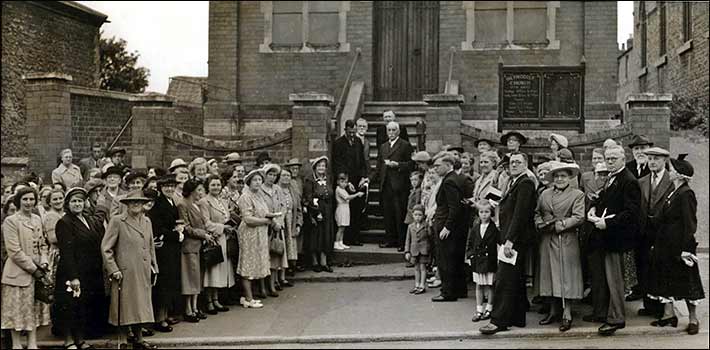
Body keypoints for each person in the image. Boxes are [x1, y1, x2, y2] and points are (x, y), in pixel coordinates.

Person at [586, 145, 641, 336]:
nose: (609, 162)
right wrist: (593, 207)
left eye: (613, 159)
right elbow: (604, 199)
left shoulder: (628, 180)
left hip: (616, 239)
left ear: (622, 160)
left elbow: (631, 213)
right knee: (609, 280)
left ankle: (617, 318)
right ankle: (611, 315)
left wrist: (607, 224)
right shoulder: (612, 177)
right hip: (607, 237)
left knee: (615, 281)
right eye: (607, 158)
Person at [480, 152, 537, 335]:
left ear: (526, 164)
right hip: (510, 237)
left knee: (504, 279)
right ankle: (517, 317)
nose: (513, 165)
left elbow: (520, 215)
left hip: (514, 240)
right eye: (512, 162)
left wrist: (510, 241)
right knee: (516, 278)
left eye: (518, 162)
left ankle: (499, 320)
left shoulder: (525, 183)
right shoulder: (514, 182)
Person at [647, 154, 704, 335]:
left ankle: (693, 319)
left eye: (671, 170)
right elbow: (662, 216)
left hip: (680, 246)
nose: (669, 172)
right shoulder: (673, 191)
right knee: (666, 278)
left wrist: (686, 248)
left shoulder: (686, 194)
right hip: (666, 244)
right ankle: (668, 315)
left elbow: (690, 223)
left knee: (687, 282)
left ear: (679, 175)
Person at [102, 190, 158, 350]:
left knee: (141, 305)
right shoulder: (118, 221)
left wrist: (154, 266)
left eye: (139, 202)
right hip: (125, 271)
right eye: (132, 202)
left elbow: (150, 246)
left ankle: (139, 339)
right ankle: (123, 339)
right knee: (124, 306)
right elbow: (106, 248)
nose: (136, 204)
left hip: (143, 269)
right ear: (126, 204)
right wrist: (113, 269)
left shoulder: (147, 221)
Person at [534, 161, 585, 332]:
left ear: (570, 178)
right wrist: (541, 224)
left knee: (566, 276)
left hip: (566, 239)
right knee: (549, 276)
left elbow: (579, 217)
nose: (560, 179)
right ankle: (553, 310)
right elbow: (537, 212)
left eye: (563, 176)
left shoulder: (577, 195)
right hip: (547, 240)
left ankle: (567, 313)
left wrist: (559, 225)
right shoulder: (545, 194)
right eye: (556, 176)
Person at [1, 188, 50, 350]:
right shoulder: (11, 221)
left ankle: (32, 343)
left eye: (31, 199)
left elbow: (43, 244)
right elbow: (14, 251)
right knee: (16, 311)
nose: (28, 203)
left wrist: (43, 262)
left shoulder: (37, 219)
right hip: (17, 273)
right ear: (18, 201)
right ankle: (16, 345)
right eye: (25, 199)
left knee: (33, 310)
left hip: (36, 272)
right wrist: (34, 269)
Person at [633, 147, 674, 318]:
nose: (652, 162)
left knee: (661, 268)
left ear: (664, 160)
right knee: (644, 267)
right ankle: (648, 304)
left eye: (656, 159)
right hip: (644, 232)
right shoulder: (642, 181)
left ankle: (662, 308)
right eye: (650, 159)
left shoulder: (671, 180)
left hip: (662, 232)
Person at [146, 175, 182, 332]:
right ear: (161, 188)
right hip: (163, 250)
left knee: (170, 282)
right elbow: (159, 229)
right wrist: (176, 235)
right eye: (166, 186)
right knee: (163, 284)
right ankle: (160, 319)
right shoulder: (159, 205)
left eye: (172, 186)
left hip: (171, 249)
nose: (170, 189)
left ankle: (165, 314)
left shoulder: (172, 201)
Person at [177, 178, 215, 322]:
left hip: (198, 245)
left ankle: (195, 307)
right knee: (190, 278)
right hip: (189, 246)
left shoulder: (196, 204)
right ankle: (188, 309)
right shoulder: (182, 204)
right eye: (198, 190)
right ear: (192, 191)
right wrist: (203, 234)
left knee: (197, 278)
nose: (201, 193)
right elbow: (186, 227)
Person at [431, 153, 468, 302]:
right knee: (455, 258)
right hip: (456, 226)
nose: (435, 169)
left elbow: (454, 207)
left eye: (438, 166)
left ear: (448, 165)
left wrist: (447, 226)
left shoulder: (449, 181)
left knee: (445, 259)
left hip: (446, 224)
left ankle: (448, 292)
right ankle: (459, 289)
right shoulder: (457, 178)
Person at [198, 175, 236, 314]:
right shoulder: (204, 202)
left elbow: (227, 218)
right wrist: (222, 227)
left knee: (220, 271)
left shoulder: (222, 201)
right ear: (208, 186)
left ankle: (216, 299)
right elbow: (206, 223)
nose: (216, 187)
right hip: (213, 239)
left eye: (218, 185)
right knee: (212, 271)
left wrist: (228, 228)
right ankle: (209, 301)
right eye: (213, 185)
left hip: (224, 239)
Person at [236, 170, 272, 308]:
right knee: (248, 264)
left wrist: (271, 216)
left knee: (255, 262)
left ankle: (249, 296)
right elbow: (247, 219)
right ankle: (248, 298)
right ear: (249, 182)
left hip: (260, 233)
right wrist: (265, 221)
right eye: (255, 180)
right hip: (249, 234)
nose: (258, 182)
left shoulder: (259, 196)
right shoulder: (245, 197)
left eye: (259, 180)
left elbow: (263, 212)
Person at [376, 122, 414, 251]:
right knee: (388, 214)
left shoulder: (405, 145)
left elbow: (411, 164)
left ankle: (401, 242)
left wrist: (397, 165)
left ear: (398, 131)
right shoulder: (383, 146)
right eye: (389, 130)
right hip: (386, 185)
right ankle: (390, 240)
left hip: (399, 185)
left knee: (399, 214)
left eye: (393, 130)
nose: (391, 132)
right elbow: (379, 166)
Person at [332, 119, 369, 247]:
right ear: (345, 130)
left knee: (357, 210)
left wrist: (363, 177)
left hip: (358, 180)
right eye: (350, 132)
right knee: (347, 211)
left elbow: (362, 162)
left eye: (354, 132)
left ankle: (355, 237)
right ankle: (345, 239)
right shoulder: (338, 143)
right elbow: (337, 164)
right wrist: (346, 182)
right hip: (346, 182)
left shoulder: (358, 142)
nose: (352, 135)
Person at [467, 199, 499, 322]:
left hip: (489, 260)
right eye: (481, 212)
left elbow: (498, 243)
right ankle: (479, 309)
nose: (484, 214)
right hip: (478, 260)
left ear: (491, 213)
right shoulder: (475, 227)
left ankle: (489, 308)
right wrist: (470, 255)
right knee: (479, 285)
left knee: (490, 285)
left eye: (486, 212)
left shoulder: (494, 228)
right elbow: (470, 243)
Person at [303, 156, 335, 272]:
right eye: (319, 166)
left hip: (327, 211)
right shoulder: (310, 180)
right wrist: (316, 213)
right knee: (316, 237)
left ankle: (324, 261)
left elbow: (331, 194)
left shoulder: (328, 179)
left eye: (323, 166)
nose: (321, 168)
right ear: (315, 167)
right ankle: (314, 261)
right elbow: (309, 197)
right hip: (315, 211)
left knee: (326, 236)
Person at [260, 164, 287, 297]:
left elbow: (283, 206)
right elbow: (261, 209)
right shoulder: (260, 189)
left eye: (274, 175)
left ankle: (272, 284)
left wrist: (279, 222)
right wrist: (272, 222)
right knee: (264, 256)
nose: (272, 177)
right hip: (265, 226)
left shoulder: (277, 189)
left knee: (276, 254)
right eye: (270, 175)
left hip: (277, 228)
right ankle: (262, 287)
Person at [334, 173, 365, 250]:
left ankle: (341, 242)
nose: (344, 184)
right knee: (340, 228)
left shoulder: (343, 189)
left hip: (345, 209)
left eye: (345, 182)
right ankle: (336, 242)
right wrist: (357, 194)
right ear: (338, 182)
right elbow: (347, 197)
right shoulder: (338, 189)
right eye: (342, 182)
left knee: (343, 227)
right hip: (341, 209)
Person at [284, 159, 305, 272]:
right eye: (293, 169)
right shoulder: (288, 182)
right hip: (290, 209)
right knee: (290, 237)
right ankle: (289, 264)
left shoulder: (300, 181)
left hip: (299, 209)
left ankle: (297, 261)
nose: (295, 171)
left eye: (297, 168)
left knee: (299, 236)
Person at [277, 169, 297, 285]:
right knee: (279, 249)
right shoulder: (276, 190)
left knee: (288, 249)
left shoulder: (292, 190)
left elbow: (297, 208)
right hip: (280, 222)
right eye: (284, 175)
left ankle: (284, 275)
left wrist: (298, 224)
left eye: (288, 175)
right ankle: (277, 278)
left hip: (291, 222)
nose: (286, 178)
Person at [404, 204, 429, 295]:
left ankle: (422, 285)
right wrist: (407, 251)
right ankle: (417, 284)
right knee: (416, 268)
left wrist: (429, 227)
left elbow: (430, 237)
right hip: (414, 250)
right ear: (412, 215)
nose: (417, 217)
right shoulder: (410, 226)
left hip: (423, 250)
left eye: (420, 215)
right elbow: (408, 240)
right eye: (415, 215)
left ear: (423, 215)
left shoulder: (426, 225)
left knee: (423, 267)